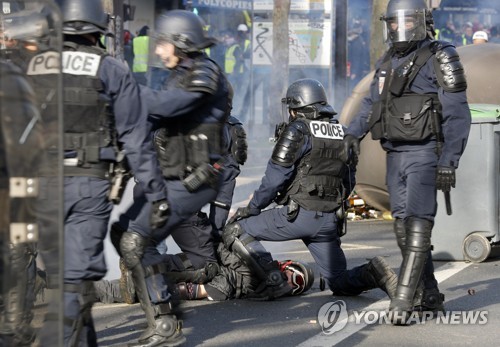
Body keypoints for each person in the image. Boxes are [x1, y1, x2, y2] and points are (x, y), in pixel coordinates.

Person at [32, 0, 169, 345]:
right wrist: (156, 192)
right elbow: (136, 140)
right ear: (97, 30)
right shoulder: (111, 68)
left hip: (39, 185)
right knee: (72, 284)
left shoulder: (31, 65)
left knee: (65, 279)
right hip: (87, 186)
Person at [342, 0, 471, 325]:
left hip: (425, 152)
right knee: (402, 225)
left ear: (421, 21)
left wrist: (448, 161)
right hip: (395, 153)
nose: (399, 28)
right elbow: (372, 101)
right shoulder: (388, 60)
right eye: (394, 22)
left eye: (406, 21)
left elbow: (458, 113)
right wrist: (350, 135)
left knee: (417, 224)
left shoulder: (441, 55)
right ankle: (428, 295)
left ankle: (403, 301)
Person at [111, 9, 230, 346]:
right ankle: (166, 299)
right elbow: (151, 119)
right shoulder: (178, 73)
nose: (158, 50)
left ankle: (165, 319)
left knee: (137, 240)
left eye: (162, 44)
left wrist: (123, 89)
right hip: (173, 176)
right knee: (122, 232)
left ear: (182, 42)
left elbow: (168, 106)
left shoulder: (205, 73)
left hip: (196, 179)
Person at [220, 78, 398, 302]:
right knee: (339, 281)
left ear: (296, 108)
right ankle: (375, 272)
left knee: (236, 231)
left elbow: (275, 178)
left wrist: (252, 207)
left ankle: (274, 281)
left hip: (298, 216)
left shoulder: (298, 130)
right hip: (327, 221)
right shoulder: (342, 132)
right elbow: (349, 181)